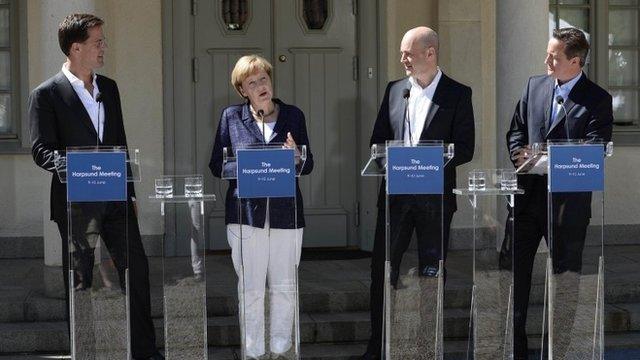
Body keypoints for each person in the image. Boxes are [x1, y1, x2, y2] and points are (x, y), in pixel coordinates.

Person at [28, 13, 163, 360]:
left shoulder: (110, 88)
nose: (104, 47)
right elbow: (41, 151)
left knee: (137, 274)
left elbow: (120, 142)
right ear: (76, 48)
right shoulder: (46, 94)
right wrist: (77, 166)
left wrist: (130, 191)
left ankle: (145, 353)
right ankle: (83, 352)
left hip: (117, 199)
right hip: (76, 204)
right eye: (97, 42)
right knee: (80, 283)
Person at [363, 26, 475, 359]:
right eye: (402, 53)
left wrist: (429, 159)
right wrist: (387, 157)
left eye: (408, 54)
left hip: (434, 199)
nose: (402, 59)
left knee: (431, 271)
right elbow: (378, 140)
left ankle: (428, 344)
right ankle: (378, 346)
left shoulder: (457, 94)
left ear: (430, 53)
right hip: (395, 196)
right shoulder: (395, 90)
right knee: (383, 269)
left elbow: (466, 148)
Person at [503, 27, 613, 360]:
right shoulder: (534, 86)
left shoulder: (597, 99)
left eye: (554, 56)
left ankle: (560, 350)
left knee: (565, 281)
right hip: (525, 201)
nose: (546, 60)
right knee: (512, 276)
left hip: (568, 205)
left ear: (575, 61)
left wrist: (545, 160)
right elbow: (516, 130)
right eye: (548, 53)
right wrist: (519, 154)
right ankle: (514, 348)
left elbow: (594, 149)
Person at [209, 55, 314, 359]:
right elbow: (217, 165)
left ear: (271, 80)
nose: (260, 86)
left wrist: (296, 156)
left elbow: (307, 165)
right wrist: (246, 168)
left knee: (284, 286)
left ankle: (281, 349)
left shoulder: (293, 116)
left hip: (286, 214)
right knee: (251, 288)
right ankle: (253, 352)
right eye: (251, 82)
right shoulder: (231, 117)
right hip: (245, 216)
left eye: (263, 79)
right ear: (243, 90)